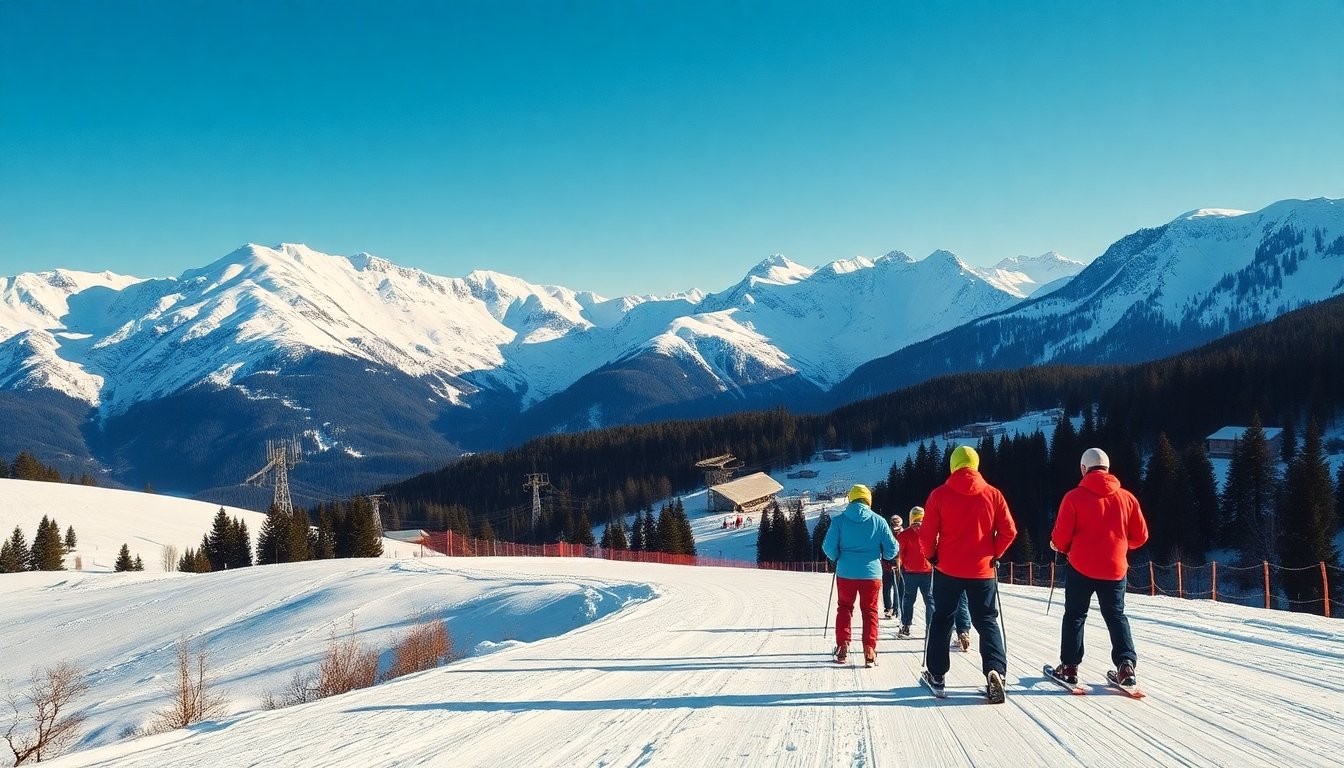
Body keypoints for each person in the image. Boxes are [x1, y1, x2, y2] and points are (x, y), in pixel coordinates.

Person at [919, 445, 1017, 702]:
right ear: (975, 465)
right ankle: (996, 671)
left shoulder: (939, 495)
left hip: (948, 569)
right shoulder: (993, 494)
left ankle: (937, 675)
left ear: (953, 465)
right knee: (986, 620)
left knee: (942, 619)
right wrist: (994, 554)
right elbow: (1009, 531)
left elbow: (927, 535)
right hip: (982, 570)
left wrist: (932, 556)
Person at [1050, 448, 1149, 687]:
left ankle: (1070, 667)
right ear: (1107, 468)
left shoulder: (1073, 497)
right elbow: (1141, 535)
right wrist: (1121, 546)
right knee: (1116, 616)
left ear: (1084, 469)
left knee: (1075, 616)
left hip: (1081, 567)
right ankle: (1126, 665)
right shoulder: (1127, 498)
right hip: (1115, 569)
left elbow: (1061, 539)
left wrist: (1058, 545)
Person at [822, 484, 898, 666]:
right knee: (870, 610)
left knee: (845, 608)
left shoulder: (839, 521)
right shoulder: (878, 520)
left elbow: (828, 547)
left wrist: (836, 557)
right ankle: (870, 649)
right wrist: (885, 557)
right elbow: (892, 548)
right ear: (868, 500)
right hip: (871, 575)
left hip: (845, 573)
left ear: (851, 499)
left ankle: (842, 646)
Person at [897, 507, 973, 648]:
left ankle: (906, 626)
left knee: (908, 599)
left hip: (910, 572)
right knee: (931, 601)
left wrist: (900, 566)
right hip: (929, 571)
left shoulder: (904, 535)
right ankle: (932, 628)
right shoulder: (932, 533)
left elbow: (901, 553)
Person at [881, 515, 902, 619]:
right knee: (889, 587)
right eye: (894, 523)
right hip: (888, 563)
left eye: (897, 523)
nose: (895, 525)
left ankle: (894, 608)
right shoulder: (887, 533)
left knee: (895, 587)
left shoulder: (902, 534)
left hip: (897, 563)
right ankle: (890, 608)